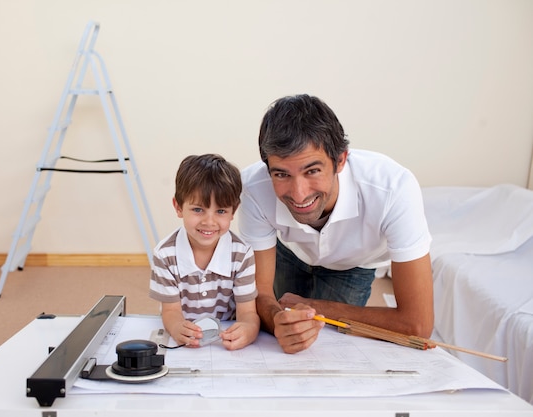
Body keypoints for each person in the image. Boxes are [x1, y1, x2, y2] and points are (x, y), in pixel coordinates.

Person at [238, 94, 434, 354]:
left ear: (341, 160)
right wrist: (276, 321)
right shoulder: (253, 187)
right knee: (284, 342)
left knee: (330, 346)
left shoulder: (394, 188)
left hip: (354, 264)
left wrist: (317, 307)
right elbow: (260, 293)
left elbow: (417, 324)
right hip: (289, 251)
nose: (298, 194)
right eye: (282, 174)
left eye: (312, 171)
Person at [149, 154, 260, 351]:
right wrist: (176, 328)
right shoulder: (164, 255)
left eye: (221, 211)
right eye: (198, 209)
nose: (209, 222)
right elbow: (171, 311)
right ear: (178, 207)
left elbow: (248, 313)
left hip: (224, 341)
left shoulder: (242, 254)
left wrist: (249, 329)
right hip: (189, 341)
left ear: (233, 211)